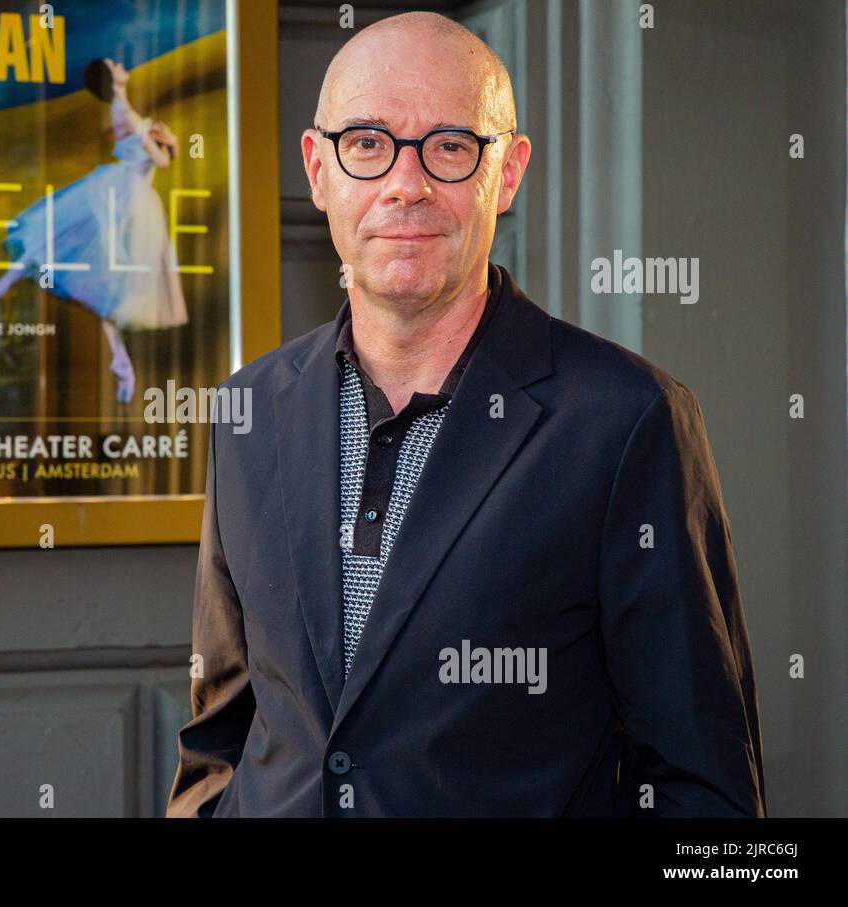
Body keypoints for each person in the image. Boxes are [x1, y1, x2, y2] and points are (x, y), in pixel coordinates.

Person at [166, 12, 765, 817]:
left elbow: (704, 792)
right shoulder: (247, 410)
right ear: (318, 168)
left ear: (508, 172)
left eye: (450, 145)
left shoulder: (628, 422)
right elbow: (219, 740)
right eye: (368, 143)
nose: (405, 184)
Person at [0, 57, 188, 403]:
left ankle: (122, 362)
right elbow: (159, 160)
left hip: (133, 205)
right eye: (114, 66)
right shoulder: (123, 112)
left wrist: (164, 139)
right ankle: (1, 286)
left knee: (112, 287)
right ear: (111, 79)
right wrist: (160, 139)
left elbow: (163, 159)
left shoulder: (129, 112)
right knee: (52, 238)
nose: (119, 65)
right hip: (116, 197)